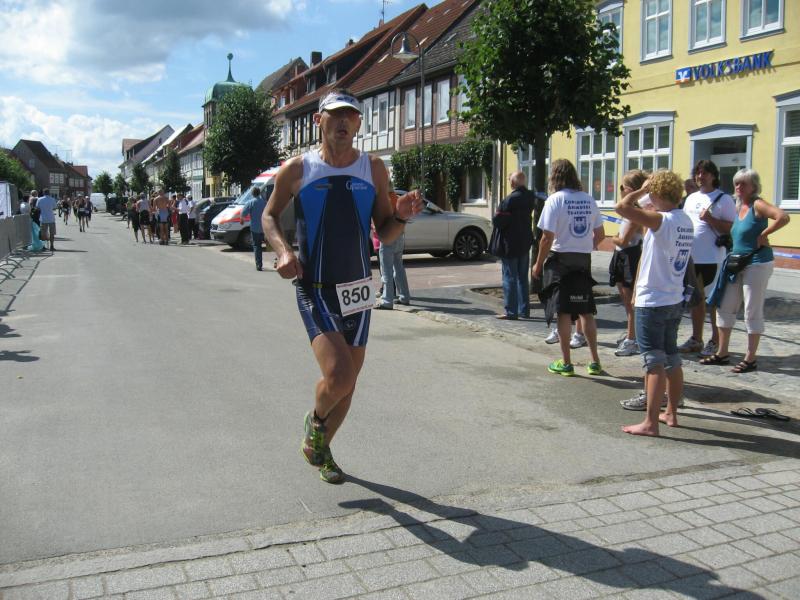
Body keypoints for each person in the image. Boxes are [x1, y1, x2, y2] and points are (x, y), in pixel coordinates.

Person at [263, 89, 423, 484]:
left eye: (350, 116)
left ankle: (323, 450)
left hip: (358, 289)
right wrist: (283, 251)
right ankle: (315, 422)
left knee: (348, 384)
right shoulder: (298, 169)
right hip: (315, 286)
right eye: (335, 115)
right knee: (339, 376)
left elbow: (385, 232)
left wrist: (401, 217)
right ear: (318, 121)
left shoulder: (374, 169)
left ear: (359, 124)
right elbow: (269, 216)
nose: (343, 122)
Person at [616, 170, 694, 436]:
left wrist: (640, 191)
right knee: (671, 358)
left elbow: (622, 207)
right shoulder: (684, 219)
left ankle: (650, 423)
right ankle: (671, 412)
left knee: (653, 362)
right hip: (673, 298)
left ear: (657, 193)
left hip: (653, 300)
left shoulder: (661, 220)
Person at [704, 169, 790, 373]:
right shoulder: (738, 206)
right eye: (737, 183)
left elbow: (783, 217)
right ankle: (722, 353)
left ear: (754, 186)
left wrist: (764, 234)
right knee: (725, 305)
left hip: (757, 262)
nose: (739, 187)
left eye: (744, 183)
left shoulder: (757, 204)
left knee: (752, 309)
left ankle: (750, 358)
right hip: (736, 263)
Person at [532, 159, 605, 377]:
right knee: (586, 310)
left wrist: (538, 264)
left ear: (554, 177)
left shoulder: (555, 200)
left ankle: (566, 363)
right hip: (582, 260)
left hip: (560, 259)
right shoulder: (589, 199)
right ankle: (595, 361)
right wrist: (586, 245)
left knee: (563, 311)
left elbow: (546, 238)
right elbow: (600, 234)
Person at [679, 160, 736, 357]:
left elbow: (732, 228)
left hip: (712, 257)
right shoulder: (691, 198)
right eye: (698, 173)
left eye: (705, 173)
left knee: (712, 301)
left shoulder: (724, 199)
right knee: (695, 299)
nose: (700, 176)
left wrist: (711, 219)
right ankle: (696, 338)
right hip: (691, 256)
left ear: (713, 176)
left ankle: (715, 340)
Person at [609, 170, 648, 356]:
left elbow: (623, 240)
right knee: (626, 301)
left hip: (630, 256)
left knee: (631, 301)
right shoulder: (629, 211)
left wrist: (614, 238)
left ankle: (632, 339)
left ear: (630, 190)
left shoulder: (636, 213)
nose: (620, 191)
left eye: (622, 187)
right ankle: (632, 334)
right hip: (621, 255)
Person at [491, 171, 536, 320]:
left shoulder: (509, 200)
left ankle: (511, 311)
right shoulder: (530, 197)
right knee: (522, 278)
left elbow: (497, 221)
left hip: (510, 243)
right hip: (525, 242)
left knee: (509, 277)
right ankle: (524, 310)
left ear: (512, 183)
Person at [375, 188, 411, 310]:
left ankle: (387, 300)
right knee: (399, 268)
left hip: (388, 236)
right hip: (399, 235)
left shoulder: (383, 200)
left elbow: (380, 219)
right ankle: (404, 297)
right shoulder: (397, 198)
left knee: (386, 270)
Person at [240, 186, 267, 270]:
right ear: (259, 193)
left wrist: (242, 220)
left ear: (252, 194)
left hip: (255, 228)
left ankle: (259, 264)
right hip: (264, 228)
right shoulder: (264, 202)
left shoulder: (250, 202)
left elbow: (243, 213)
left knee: (257, 246)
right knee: (267, 245)